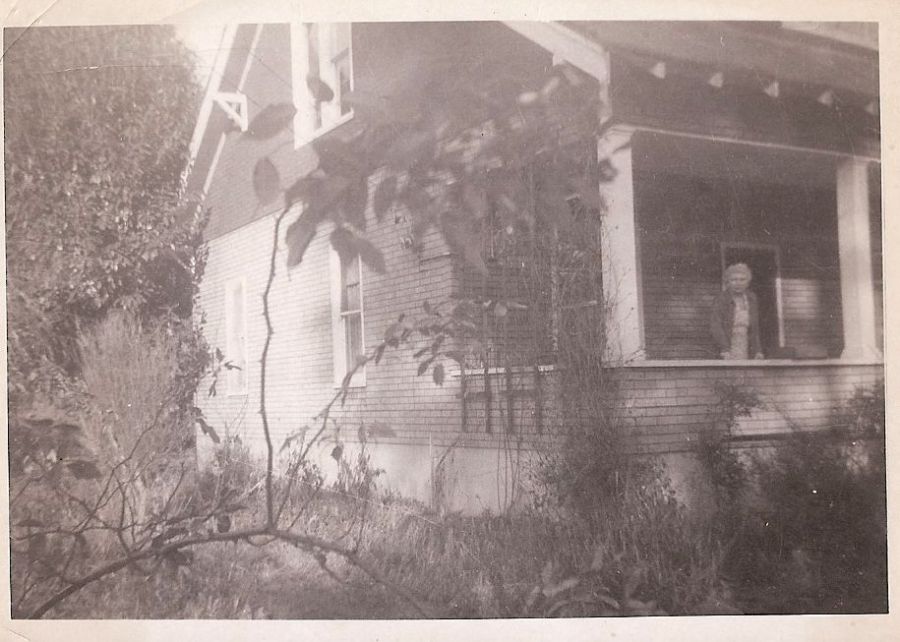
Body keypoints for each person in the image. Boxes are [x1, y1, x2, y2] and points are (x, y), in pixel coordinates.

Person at [710, 263, 764, 360]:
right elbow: (716, 326)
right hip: (727, 344)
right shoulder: (721, 299)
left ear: (748, 282)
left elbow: (755, 328)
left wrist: (757, 350)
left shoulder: (752, 298)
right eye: (734, 280)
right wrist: (724, 349)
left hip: (745, 343)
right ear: (728, 282)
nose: (738, 283)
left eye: (742, 279)